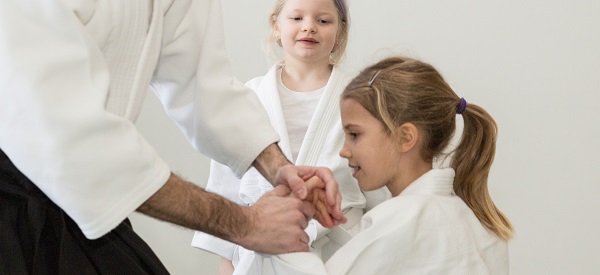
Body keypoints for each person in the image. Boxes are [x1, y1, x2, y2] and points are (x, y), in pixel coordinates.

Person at [0, 0, 346, 273]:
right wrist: (245, 223)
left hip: (75, 201)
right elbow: (66, 136)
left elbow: (202, 86)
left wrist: (281, 168)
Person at [244, 56, 515, 274]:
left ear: (405, 137)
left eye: (354, 135)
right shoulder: (472, 220)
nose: (344, 150)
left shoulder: (405, 219)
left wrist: (287, 233)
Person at [191, 0, 390, 274]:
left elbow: (380, 187)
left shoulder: (361, 99)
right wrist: (227, 266)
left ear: (339, 33)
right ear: (276, 26)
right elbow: (225, 187)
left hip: (340, 253)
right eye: (296, 18)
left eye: (323, 21)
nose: (309, 27)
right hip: (261, 252)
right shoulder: (248, 98)